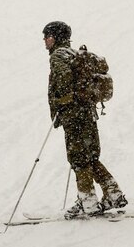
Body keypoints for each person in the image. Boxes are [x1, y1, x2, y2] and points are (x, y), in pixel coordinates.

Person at [43, 21, 127, 219]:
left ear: (56, 37)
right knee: (90, 156)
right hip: (88, 112)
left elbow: (63, 83)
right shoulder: (75, 55)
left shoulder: (58, 56)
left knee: (78, 158)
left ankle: (87, 201)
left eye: (47, 36)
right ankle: (113, 194)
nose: (45, 41)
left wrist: (59, 104)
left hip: (73, 115)